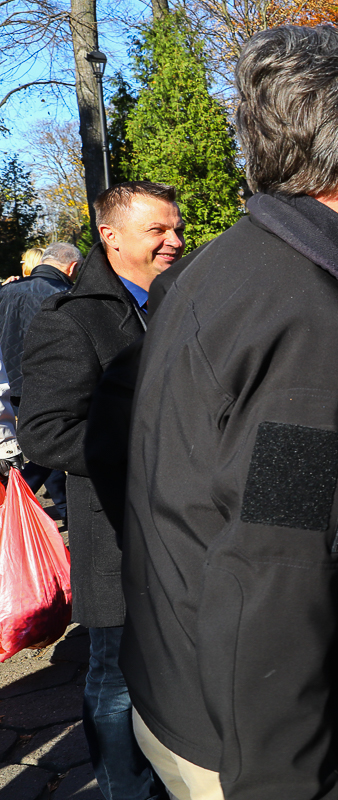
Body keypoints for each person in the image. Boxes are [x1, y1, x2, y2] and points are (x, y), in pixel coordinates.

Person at [119, 25, 338, 800]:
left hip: (186, 692)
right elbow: (277, 580)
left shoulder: (224, 266)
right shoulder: (315, 334)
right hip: (259, 748)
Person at [18, 182, 182, 800]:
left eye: (175, 228)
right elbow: (44, 433)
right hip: (117, 536)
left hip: (189, 531)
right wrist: (151, 447)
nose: (173, 241)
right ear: (110, 237)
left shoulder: (181, 301)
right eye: (156, 231)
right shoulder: (73, 319)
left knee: (173, 672)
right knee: (116, 679)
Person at [0, 241, 79, 519]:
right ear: (73, 267)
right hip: (46, 381)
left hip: (9, 381)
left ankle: (66, 508)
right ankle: (13, 498)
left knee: (45, 442)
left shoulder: (6, 291)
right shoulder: (64, 294)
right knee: (51, 443)